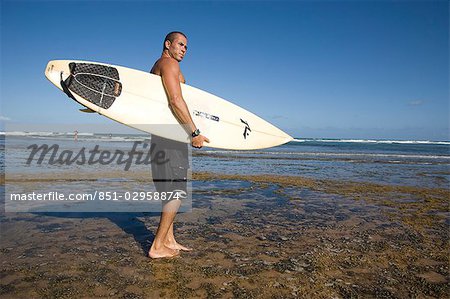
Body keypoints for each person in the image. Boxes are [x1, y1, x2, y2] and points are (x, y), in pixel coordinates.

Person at [148, 31, 209, 259]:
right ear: (167, 44)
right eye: (180, 44)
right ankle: (157, 246)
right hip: (171, 138)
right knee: (176, 190)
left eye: (186, 47)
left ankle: (169, 240)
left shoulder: (157, 66)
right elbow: (175, 100)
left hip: (159, 137)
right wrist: (194, 132)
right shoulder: (169, 64)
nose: (184, 49)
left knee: (167, 190)